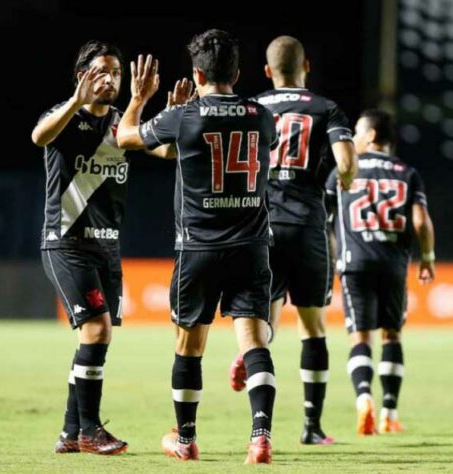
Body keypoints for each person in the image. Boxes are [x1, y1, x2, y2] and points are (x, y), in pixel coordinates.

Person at [116, 29, 279, 464]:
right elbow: (200, 152)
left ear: (198, 72)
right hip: (251, 245)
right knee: (253, 343)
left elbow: (126, 137)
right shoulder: (263, 116)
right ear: (237, 72)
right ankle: (260, 437)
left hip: (199, 250)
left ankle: (186, 439)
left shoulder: (186, 116)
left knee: (189, 346)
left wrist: (141, 98)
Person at [228, 35, 357, 445]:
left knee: (264, 319)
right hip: (306, 225)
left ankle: (251, 354)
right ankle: (311, 427)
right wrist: (338, 185)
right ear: (307, 66)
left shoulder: (252, 107)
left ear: (267, 71)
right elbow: (348, 165)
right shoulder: (326, 108)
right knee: (313, 327)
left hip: (260, 227)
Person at [31, 40, 129, 455]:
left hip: (107, 248)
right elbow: (39, 136)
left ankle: (70, 434)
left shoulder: (122, 123)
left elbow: (163, 148)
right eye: (101, 71)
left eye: (116, 73)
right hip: (66, 243)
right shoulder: (64, 117)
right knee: (97, 329)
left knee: (93, 339)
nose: (109, 79)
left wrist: (180, 114)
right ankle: (91, 431)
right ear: (82, 76)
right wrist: (76, 101)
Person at [325, 109, 436, 435]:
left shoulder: (345, 168)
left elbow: (323, 216)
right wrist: (427, 256)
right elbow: (420, 221)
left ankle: (363, 400)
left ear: (371, 135)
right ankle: (389, 411)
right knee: (392, 334)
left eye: (357, 132)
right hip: (392, 266)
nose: (353, 139)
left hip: (354, 263)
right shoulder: (407, 172)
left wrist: (331, 255)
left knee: (360, 337)